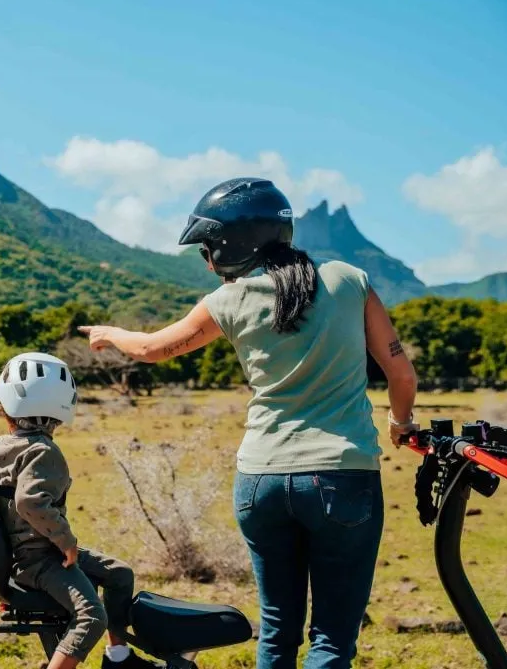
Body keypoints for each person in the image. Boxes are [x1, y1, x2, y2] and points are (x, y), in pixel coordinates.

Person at [78, 177, 419, 669]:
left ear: (233, 246)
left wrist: (110, 333)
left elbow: (152, 348)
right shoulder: (348, 280)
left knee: (277, 631)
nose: (208, 260)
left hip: (260, 480)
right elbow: (400, 373)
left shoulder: (228, 302)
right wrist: (400, 422)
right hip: (342, 477)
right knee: (331, 638)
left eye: (208, 249)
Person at [0, 352, 163, 669]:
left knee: (120, 574)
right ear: (61, 409)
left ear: (6, 406)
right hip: (41, 559)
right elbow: (30, 502)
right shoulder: (43, 451)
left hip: (26, 556)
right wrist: (66, 541)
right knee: (92, 616)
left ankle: (118, 658)